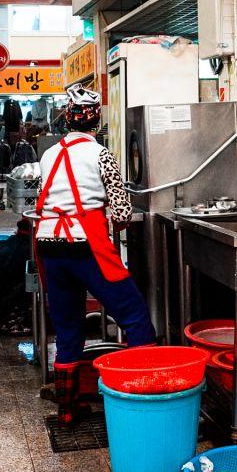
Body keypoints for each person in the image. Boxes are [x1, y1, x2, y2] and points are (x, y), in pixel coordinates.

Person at [33, 86, 155, 425]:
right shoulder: (101, 154)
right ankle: (142, 394)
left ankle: (67, 409)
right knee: (133, 314)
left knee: (67, 326)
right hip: (86, 244)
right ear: (97, 121)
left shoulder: (48, 155)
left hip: (48, 244)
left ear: (66, 119)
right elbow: (121, 214)